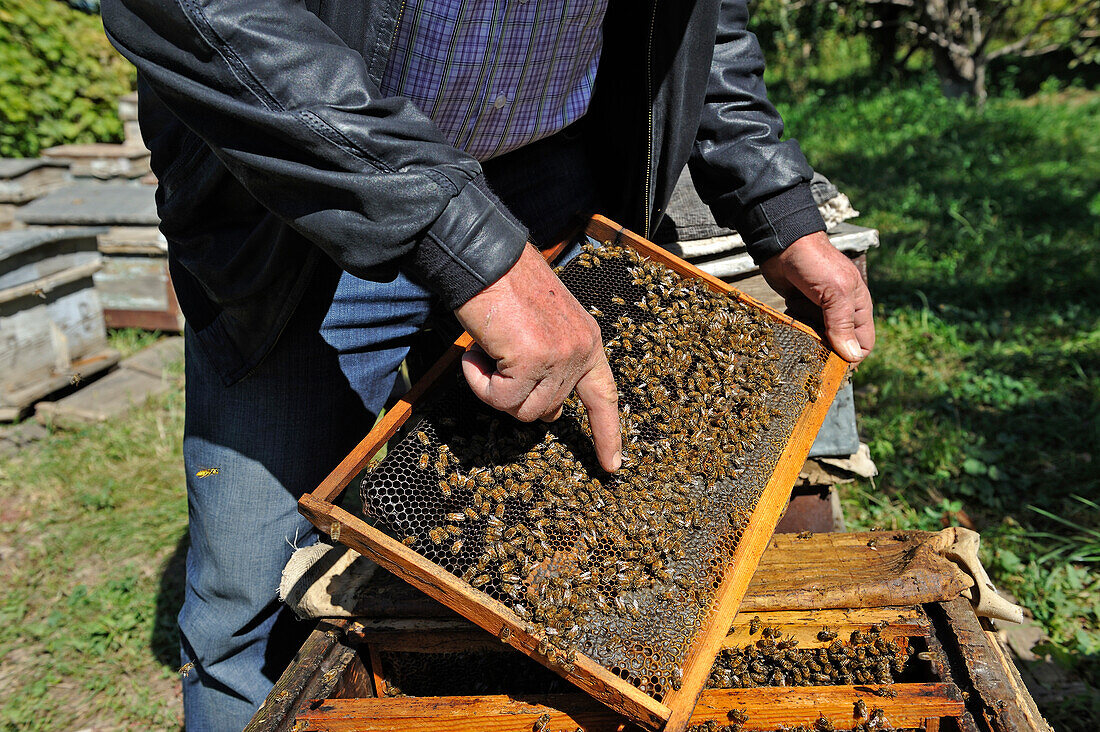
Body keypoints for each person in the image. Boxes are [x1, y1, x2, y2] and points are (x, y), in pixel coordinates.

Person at [101, 0, 875, 727]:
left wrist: (775, 203)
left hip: (550, 179)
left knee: (546, 557)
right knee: (255, 602)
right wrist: (461, 239)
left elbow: (698, 18)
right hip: (300, 193)